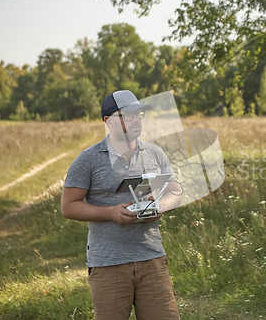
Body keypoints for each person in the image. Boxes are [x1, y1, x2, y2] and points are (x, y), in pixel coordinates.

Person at [61, 90, 182, 320]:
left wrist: (160, 206)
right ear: (108, 121)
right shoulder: (88, 160)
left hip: (152, 258)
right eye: (128, 115)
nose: (136, 120)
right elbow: (68, 206)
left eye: (138, 115)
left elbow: (175, 191)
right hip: (108, 264)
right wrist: (110, 213)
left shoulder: (155, 154)